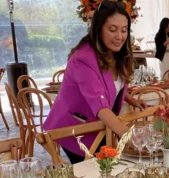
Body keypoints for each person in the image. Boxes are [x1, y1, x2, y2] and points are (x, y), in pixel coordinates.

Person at [43, 0, 147, 164]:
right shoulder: (83, 59)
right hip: (76, 129)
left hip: (99, 127)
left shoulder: (115, 53)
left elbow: (111, 85)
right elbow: (101, 107)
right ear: (98, 29)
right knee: (94, 175)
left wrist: (130, 98)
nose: (119, 36)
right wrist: (131, 137)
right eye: (112, 30)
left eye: (124, 30)